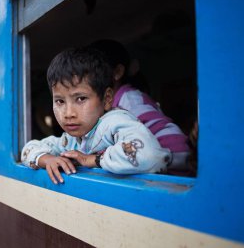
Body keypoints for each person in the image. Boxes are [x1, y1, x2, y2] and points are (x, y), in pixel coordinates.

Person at [21, 48, 171, 184]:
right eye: (60, 101)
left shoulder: (115, 122)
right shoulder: (70, 140)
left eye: (80, 99)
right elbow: (28, 149)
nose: (68, 113)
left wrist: (92, 159)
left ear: (106, 99)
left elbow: (152, 156)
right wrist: (46, 159)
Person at [88, 39, 191, 173]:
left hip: (173, 162)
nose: (87, 79)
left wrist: (173, 159)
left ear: (117, 72)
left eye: (93, 71)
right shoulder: (114, 102)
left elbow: (178, 147)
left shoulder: (130, 100)